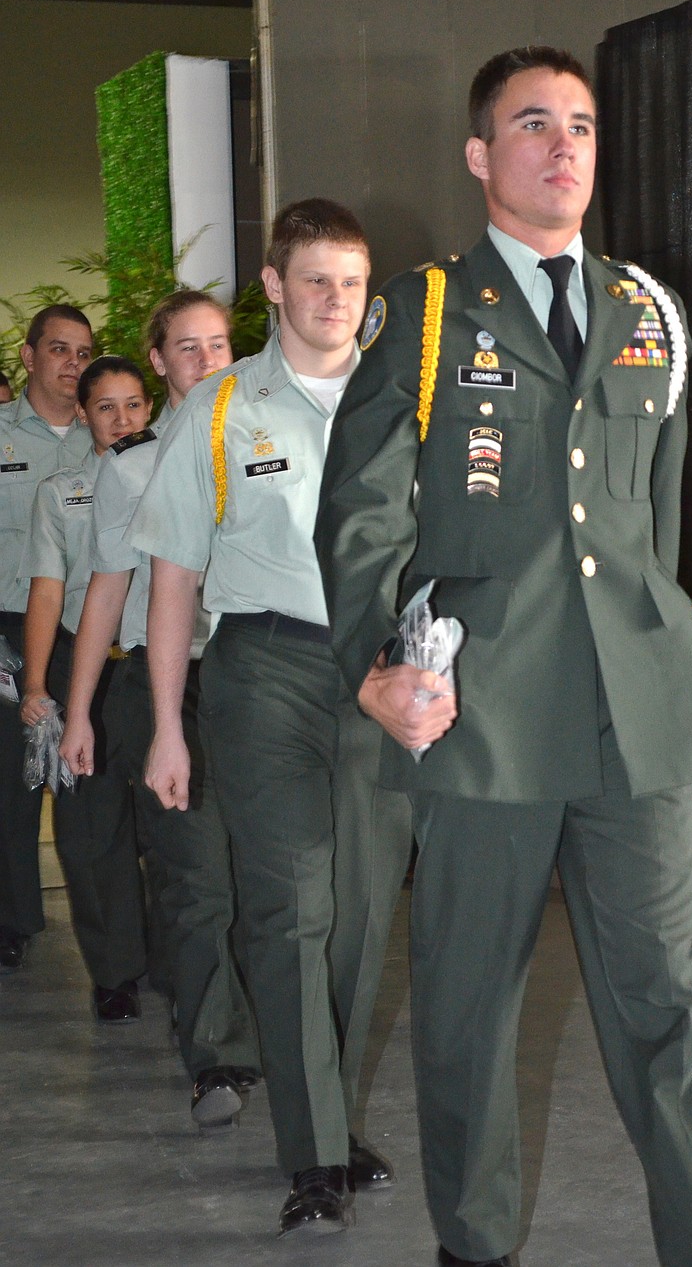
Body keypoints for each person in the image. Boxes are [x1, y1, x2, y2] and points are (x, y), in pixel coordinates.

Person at [314, 47, 692, 1267]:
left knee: (666, 1007)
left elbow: (658, 523)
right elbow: (360, 513)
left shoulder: (649, 313)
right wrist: (375, 666)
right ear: (479, 156)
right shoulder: (418, 314)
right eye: (531, 123)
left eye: (579, 123)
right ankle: (473, 1242)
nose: (563, 144)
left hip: (637, 716)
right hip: (479, 714)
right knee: (465, 1008)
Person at [127, 198, 412, 1238]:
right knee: (290, 910)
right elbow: (170, 579)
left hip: (381, 675)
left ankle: (322, 1110)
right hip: (267, 670)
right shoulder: (218, 406)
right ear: (275, 286)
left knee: (367, 910)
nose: (337, 298)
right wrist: (167, 723)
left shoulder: (404, 401)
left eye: (353, 279)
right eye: (317, 279)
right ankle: (313, 1150)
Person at [59, 292, 260, 1119]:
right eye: (188, 348)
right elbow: (106, 592)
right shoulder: (131, 464)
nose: (208, 360)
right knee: (193, 870)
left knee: (273, 876)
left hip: (261, 674)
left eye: (219, 346)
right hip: (165, 684)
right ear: (158, 361)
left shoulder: (267, 444)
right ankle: (216, 1057)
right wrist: (79, 711)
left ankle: (284, 1036)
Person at [19, 356, 152, 1019]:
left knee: (172, 821)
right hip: (85, 669)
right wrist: (38, 683)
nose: (122, 418)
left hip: (160, 668)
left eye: (134, 404)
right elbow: (46, 589)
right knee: (88, 830)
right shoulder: (61, 490)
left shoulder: (175, 479)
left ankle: (183, 965)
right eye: (106, 406)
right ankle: (115, 970)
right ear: (83, 414)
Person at [0, 305, 93, 974]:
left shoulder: (107, 436)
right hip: (8, 627)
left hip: (89, 631)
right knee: (12, 783)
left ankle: (111, 933)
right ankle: (13, 921)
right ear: (29, 357)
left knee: (93, 786)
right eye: (58, 349)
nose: (72, 363)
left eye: (84, 352)